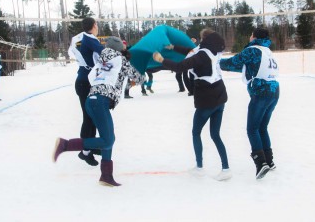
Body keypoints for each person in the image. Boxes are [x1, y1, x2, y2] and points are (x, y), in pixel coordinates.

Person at [53, 36, 144, 187]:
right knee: (107, 140)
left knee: (109, 138)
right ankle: (65, 145)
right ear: (119, 49)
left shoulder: (101, 60)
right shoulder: (120, 60)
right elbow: (140, 78)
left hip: (92, 100)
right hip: (100, 101)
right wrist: (142, 70)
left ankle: (106, 175)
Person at [153, 31, 232, 181]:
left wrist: (161, 59)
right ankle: (226, 168)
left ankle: (199, 167)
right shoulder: (214, 51)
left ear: (205, 40)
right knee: (215, 135)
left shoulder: (202, 55)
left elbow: (179, 67)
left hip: (207, 100)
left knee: (196, 132)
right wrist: (173, 47)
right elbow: (190, 51)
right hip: (220, 97)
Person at [220, 28, 280, 180]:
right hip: (274, 91)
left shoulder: (252, 50)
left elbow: (233, 62)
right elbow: (242, 67)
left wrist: (215, 62)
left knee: (252, 129)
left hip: (261, 92)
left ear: (254, 37)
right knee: (262, 127)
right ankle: (269, 160)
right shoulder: (266, 50)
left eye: (250, 34)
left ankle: (261, 163)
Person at [69, 17, 104, 166]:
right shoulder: (90, 39)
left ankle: (92, 145)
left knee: (93, 116)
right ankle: (84, 152)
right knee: (88, 118)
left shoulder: (81, 38)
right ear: (94, 25)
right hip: (85, 83)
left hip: (85, 81)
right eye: (96, 24)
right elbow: (105, 53)